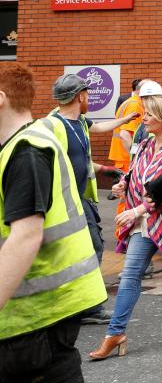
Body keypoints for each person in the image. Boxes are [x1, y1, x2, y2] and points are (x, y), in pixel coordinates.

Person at [0, 63, 108, 381]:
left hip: (36, 315)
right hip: (36, 314)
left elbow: (25, 236)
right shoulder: (28, 142)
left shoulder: (27, 150)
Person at [90, 95, 162, 360]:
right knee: (130, 276)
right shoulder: (144, 144)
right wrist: (123, 186)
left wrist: (137, 210)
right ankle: (115, 333)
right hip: (144, 223)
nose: (145, 118)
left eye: (150, 115)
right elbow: (133, 173)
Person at [48, 73, 137, 325]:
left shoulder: (80, 122)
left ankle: (81, 304)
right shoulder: (54, 125)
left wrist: (105, 169)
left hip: (81, 198)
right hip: (67, 200)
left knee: (87, 248)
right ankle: (85, 305)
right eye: (86, 94)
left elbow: (97, 131)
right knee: (89, 248)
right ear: (81, 96)